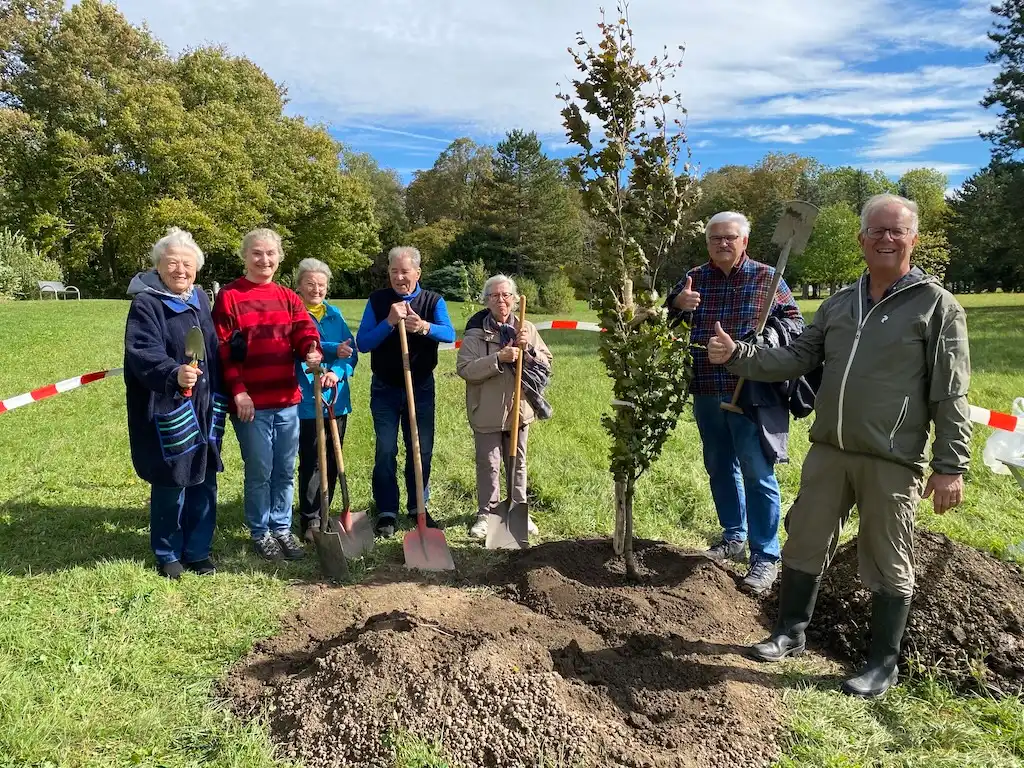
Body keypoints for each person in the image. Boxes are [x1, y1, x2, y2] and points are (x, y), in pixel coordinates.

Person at [707, 193, 971, 698]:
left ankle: (882, 664)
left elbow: (951, 391)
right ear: (861, 239)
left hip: (892, 458)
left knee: (888, 558)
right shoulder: (839, 303)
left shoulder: (937, 306)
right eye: (877, 230)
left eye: (897, 231)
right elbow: (798, 357)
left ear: (912, 238)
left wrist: (950, 464)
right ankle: (789, 632)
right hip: (830, 449)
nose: (886, 239)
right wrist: (739, 355)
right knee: (805, 538)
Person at [666, 210, 805, 595]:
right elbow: (662, 324)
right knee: (719, 465)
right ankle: (734, 536)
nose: (723, 244)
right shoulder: (695, 278)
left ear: (745, 241)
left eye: (730, 238)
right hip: (707, 387)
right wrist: (676, 304)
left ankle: (766, 556)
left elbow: (796, 325)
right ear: (707, 242)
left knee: (757, 471)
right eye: (716, 239)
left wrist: (755, 344)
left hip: (751, 389)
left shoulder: (767, 278)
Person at [212, 228, 323, 561]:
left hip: (287, 400)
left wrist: (311, 350)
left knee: (285, 468)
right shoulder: (230, 296)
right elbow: (224, 350)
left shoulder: (288, 297)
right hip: (251, 404)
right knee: (260, 468)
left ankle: (282, 528)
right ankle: (261, 531)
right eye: (257, 253)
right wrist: (239, 391)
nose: (264, 260)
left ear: (279, 257)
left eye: (270, 253)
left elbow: (304, 330)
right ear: (245, 256)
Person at [124, 227, 225, 579]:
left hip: (206, 406)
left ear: (196, 268)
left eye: (187, 264)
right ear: (158, 267)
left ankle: (198, 551)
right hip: (167, 406)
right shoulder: (147, 303)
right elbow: (141, 352)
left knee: (204, 479)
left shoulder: (199, 298)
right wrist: (172, 373)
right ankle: (167, 552)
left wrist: (236, 350)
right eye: (172, 263)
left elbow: (209, 345)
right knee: (171, 481)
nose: (180, 270)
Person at [356, 246, 456, 538]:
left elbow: (449, 334)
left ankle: (417, 506)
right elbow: (363, 343)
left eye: (405, 271)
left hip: (421, 386)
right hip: (385, 387)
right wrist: (389, 322)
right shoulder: (378, 301)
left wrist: (424, 326)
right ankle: (387, 510)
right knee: (386, 449)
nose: (399, 277)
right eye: (394, 272)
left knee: (420, 449)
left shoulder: (432, 300)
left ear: (417, 273)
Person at [456, 274, 553, 539]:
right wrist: (498, 358)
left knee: (518, 462)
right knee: (489, 463)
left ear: (513, 298)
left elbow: (546, 363)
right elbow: (464, 369)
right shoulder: (476, 334)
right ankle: (487, 514)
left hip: (518, 410)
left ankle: (518, 509)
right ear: (486, 301)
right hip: (486, 410)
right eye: (495, 296)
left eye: (506, 295)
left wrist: (528, 350)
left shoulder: (527, 328)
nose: (502, 300)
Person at [293, 258, 358, 543]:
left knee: (333, 458)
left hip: (336, 399)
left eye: (321, 285)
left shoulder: (336, 314)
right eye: (310, 284)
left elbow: (350, 353)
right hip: (307, 399)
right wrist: (331, 351)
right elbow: (302, 348)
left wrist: (337, 371)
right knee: (311, 461)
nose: (316, 289)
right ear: (299, 286)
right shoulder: (294, 314)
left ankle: (326, 510)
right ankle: (310, 519)